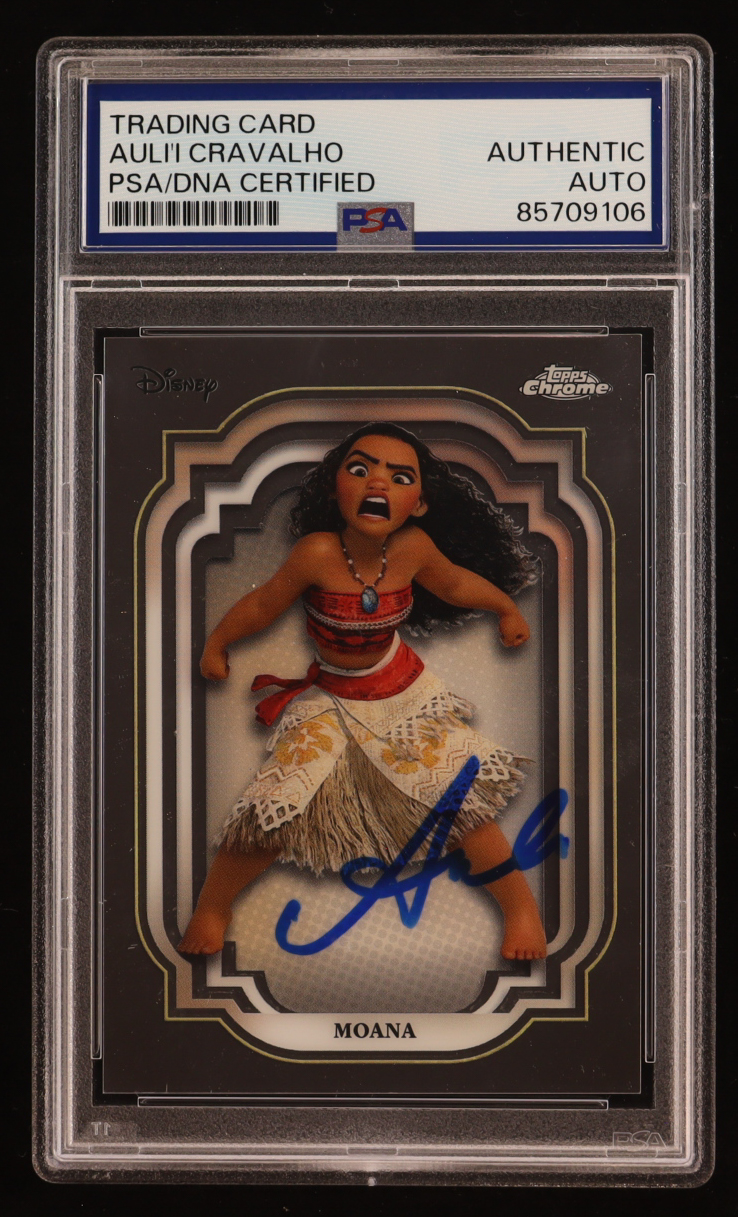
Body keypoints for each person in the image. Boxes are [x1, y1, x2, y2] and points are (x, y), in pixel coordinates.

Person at [178, 422, 547, 961]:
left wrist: (506, 608)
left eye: (400, 477)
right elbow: (262, 604)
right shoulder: (316, 552)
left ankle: (520, 910)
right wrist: (218, 643)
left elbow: (454, 583)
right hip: (331, 698)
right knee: (275, 802)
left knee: (462, 803)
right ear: (334, 488)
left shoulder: (414, 548)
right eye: (360, 468)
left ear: (419, 504)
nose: (378, 483)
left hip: (401, 694)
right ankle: (213, 907)